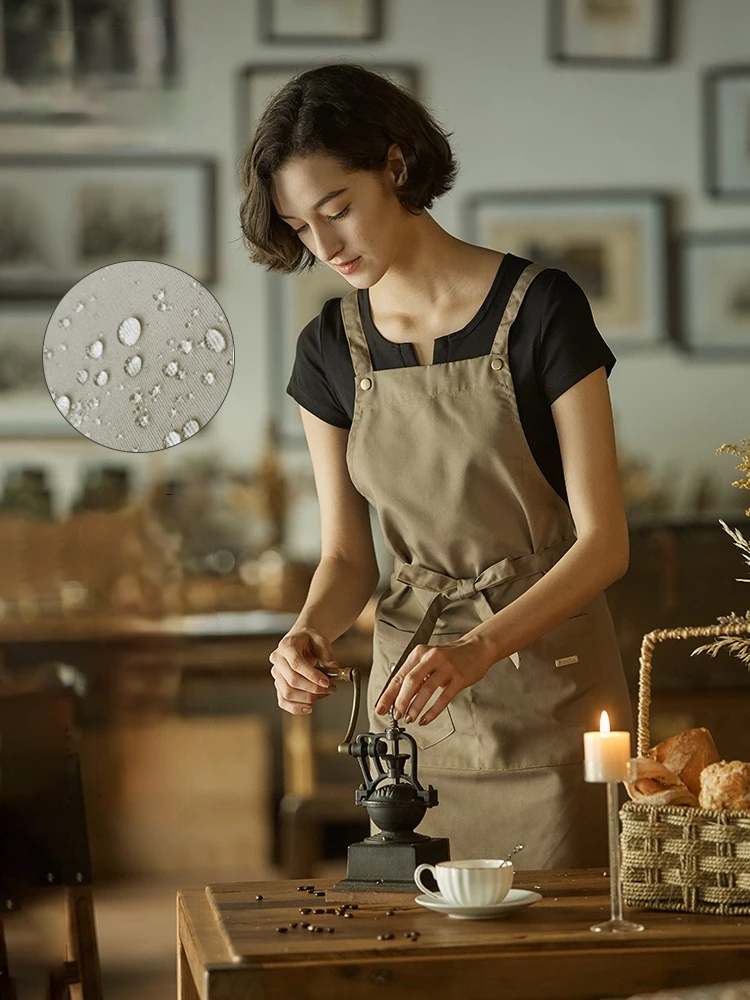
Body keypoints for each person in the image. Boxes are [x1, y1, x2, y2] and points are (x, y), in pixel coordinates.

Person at [239, 63, 632, 869]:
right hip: (412, 710)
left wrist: (480, 649)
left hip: (549, 692)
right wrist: (307, 633)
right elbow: (350, 558)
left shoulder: (541, 309)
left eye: (337, 210)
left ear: (395, 164)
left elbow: (604, 545)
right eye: (302, 227)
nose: (325, 246)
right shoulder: (328, 349)